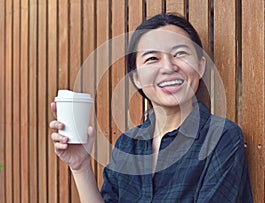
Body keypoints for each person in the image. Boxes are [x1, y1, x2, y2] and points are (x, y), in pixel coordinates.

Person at [50, 13, 253, 202]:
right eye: (152, 59)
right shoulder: (128, 145)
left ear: (200, 66)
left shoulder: (221, 138)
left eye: (180, 53)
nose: (168, 67)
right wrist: (80, 166)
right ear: (136, 78)